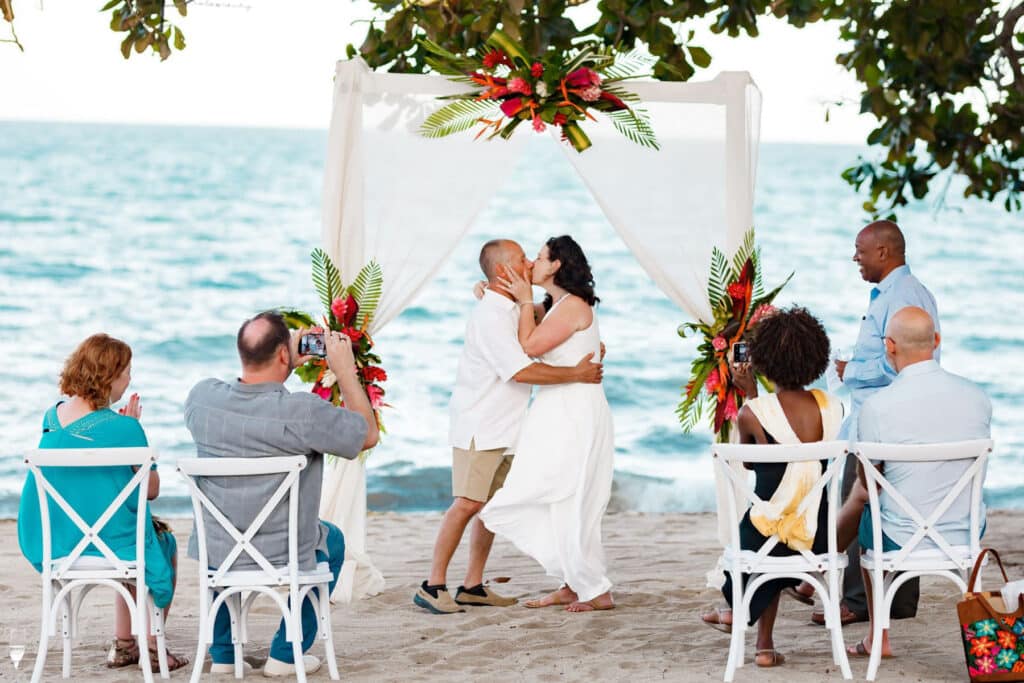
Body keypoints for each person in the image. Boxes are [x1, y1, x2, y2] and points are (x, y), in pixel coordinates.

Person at [413, 239, 604, 615]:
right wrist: (576, 373)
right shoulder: (491, 316)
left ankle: (472, 586)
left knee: (491, 505)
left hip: (508, 426)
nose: (530, 262)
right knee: (467, 503)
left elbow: (553, 323)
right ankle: (433, 585)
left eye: (534, 257)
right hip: (481, 425)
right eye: (522, 258)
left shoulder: (513, 307)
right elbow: (521, 370)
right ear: (504, 271)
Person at [184, 311, 378, 677]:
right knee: (333, 540)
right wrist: (345, 372)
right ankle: (286, 655)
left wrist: (282, 364)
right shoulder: (303, 413)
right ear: (284, 354)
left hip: (221, 550)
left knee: (219, 539)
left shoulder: (201, 400)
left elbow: (248, 400)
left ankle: (224, 655)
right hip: (283, 552)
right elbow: (367, 435)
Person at [17, 333, 188, 672]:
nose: (129, 380)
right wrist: (132, 428)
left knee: (126, 533)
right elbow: (151, 490)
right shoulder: (125, 428)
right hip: (111, 545)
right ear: (109, 377)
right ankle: (151, 645)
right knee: (158, 541)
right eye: (126, 372)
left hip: (61, 545)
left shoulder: (50, 419)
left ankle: (124, 646)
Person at [798, 220, 941, 625]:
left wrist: (851, 371)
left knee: (857, 502)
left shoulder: (902, 296)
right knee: (893, 507)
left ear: (883, 251)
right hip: (894, 418)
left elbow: (904, 361)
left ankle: (857, 602)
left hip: (880, 422)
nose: (854, 258)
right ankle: (897, 602)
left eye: (860, 251)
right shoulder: (902, 292)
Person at [845, 306, 991, 659]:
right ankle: (982, 651)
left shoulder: (876, 407)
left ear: (890, 346)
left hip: (899, 537)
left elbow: (868, 482)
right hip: (966, 532)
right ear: (936, 340)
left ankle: (877, 637)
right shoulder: (977, 398)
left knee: (868, 521)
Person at [700, 307, 843, 668]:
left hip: (771, 535)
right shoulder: (833, 406)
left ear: (762, 362)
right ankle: (762, 644)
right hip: (818, 533)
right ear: (816, 357)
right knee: (779, 523)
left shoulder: (753, 413)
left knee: (766, 525)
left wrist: (750, 394)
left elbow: (751, 463)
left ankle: (744, 619)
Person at [480, 235, 615, 613]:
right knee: (558, 495)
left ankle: (595, 589)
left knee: (570, 495)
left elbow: (529, 347)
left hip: (574, 411)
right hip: (558, 408)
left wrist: (525, 301)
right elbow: (521, 317)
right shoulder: (556, 305)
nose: (532, 264)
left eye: (539, 258)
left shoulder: (572, 307)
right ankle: (572, 582)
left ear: (556, 265)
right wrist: (488, 291)